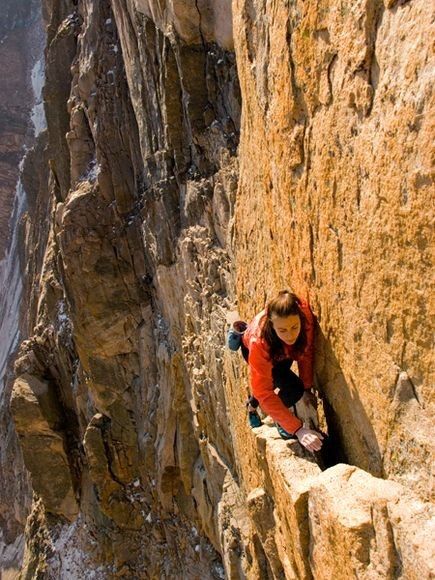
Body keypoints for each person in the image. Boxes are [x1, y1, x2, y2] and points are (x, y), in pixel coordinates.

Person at [229, 289, 324, 453]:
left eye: (295, 327)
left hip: (282, 350)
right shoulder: (259, 343)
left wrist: (308, 387)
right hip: (258, 350)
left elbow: (306, 352)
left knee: (277, 381)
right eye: (283, 330)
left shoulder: (305, 318)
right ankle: (265, 414)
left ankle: (252, 406)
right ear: (272, 326)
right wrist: (296, 428)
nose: (290, 334)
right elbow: (263, 391)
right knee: (293, 388)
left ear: (300, 319)